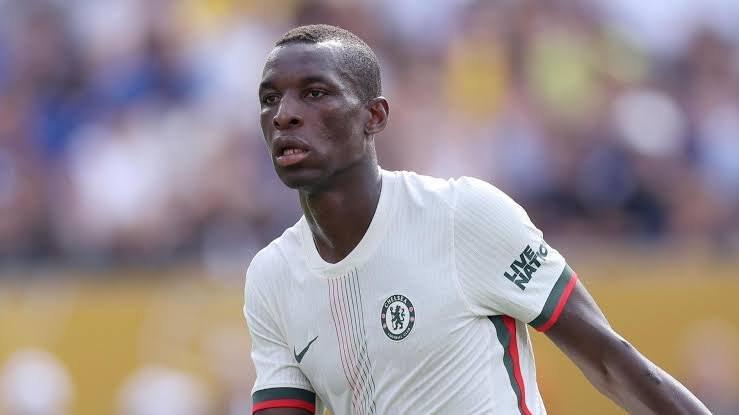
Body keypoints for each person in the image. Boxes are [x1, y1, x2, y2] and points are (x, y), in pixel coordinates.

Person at [243, 24, 711, 415]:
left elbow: (611, 361)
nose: (284, 115)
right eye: (270, 99)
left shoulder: (462, 215)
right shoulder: (272, 277)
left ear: (375, 116)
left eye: (315, 93)